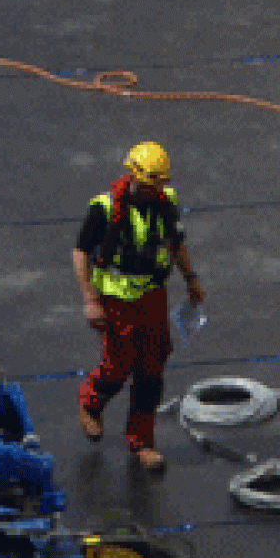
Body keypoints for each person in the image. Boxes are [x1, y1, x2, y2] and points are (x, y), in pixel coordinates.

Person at [73, 140, 204, 475]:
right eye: (153, 183)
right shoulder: (104, 208)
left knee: (152, 367)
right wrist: (90, 300)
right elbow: (81, 253)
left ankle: (142, 441)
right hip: (116, 300)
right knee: (119, 364)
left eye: (162, 182)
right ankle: (90, 404)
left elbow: (176, 244)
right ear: (135, 178)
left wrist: (191, 279)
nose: (159, 189)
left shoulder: (166, 203)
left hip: (151, 296)